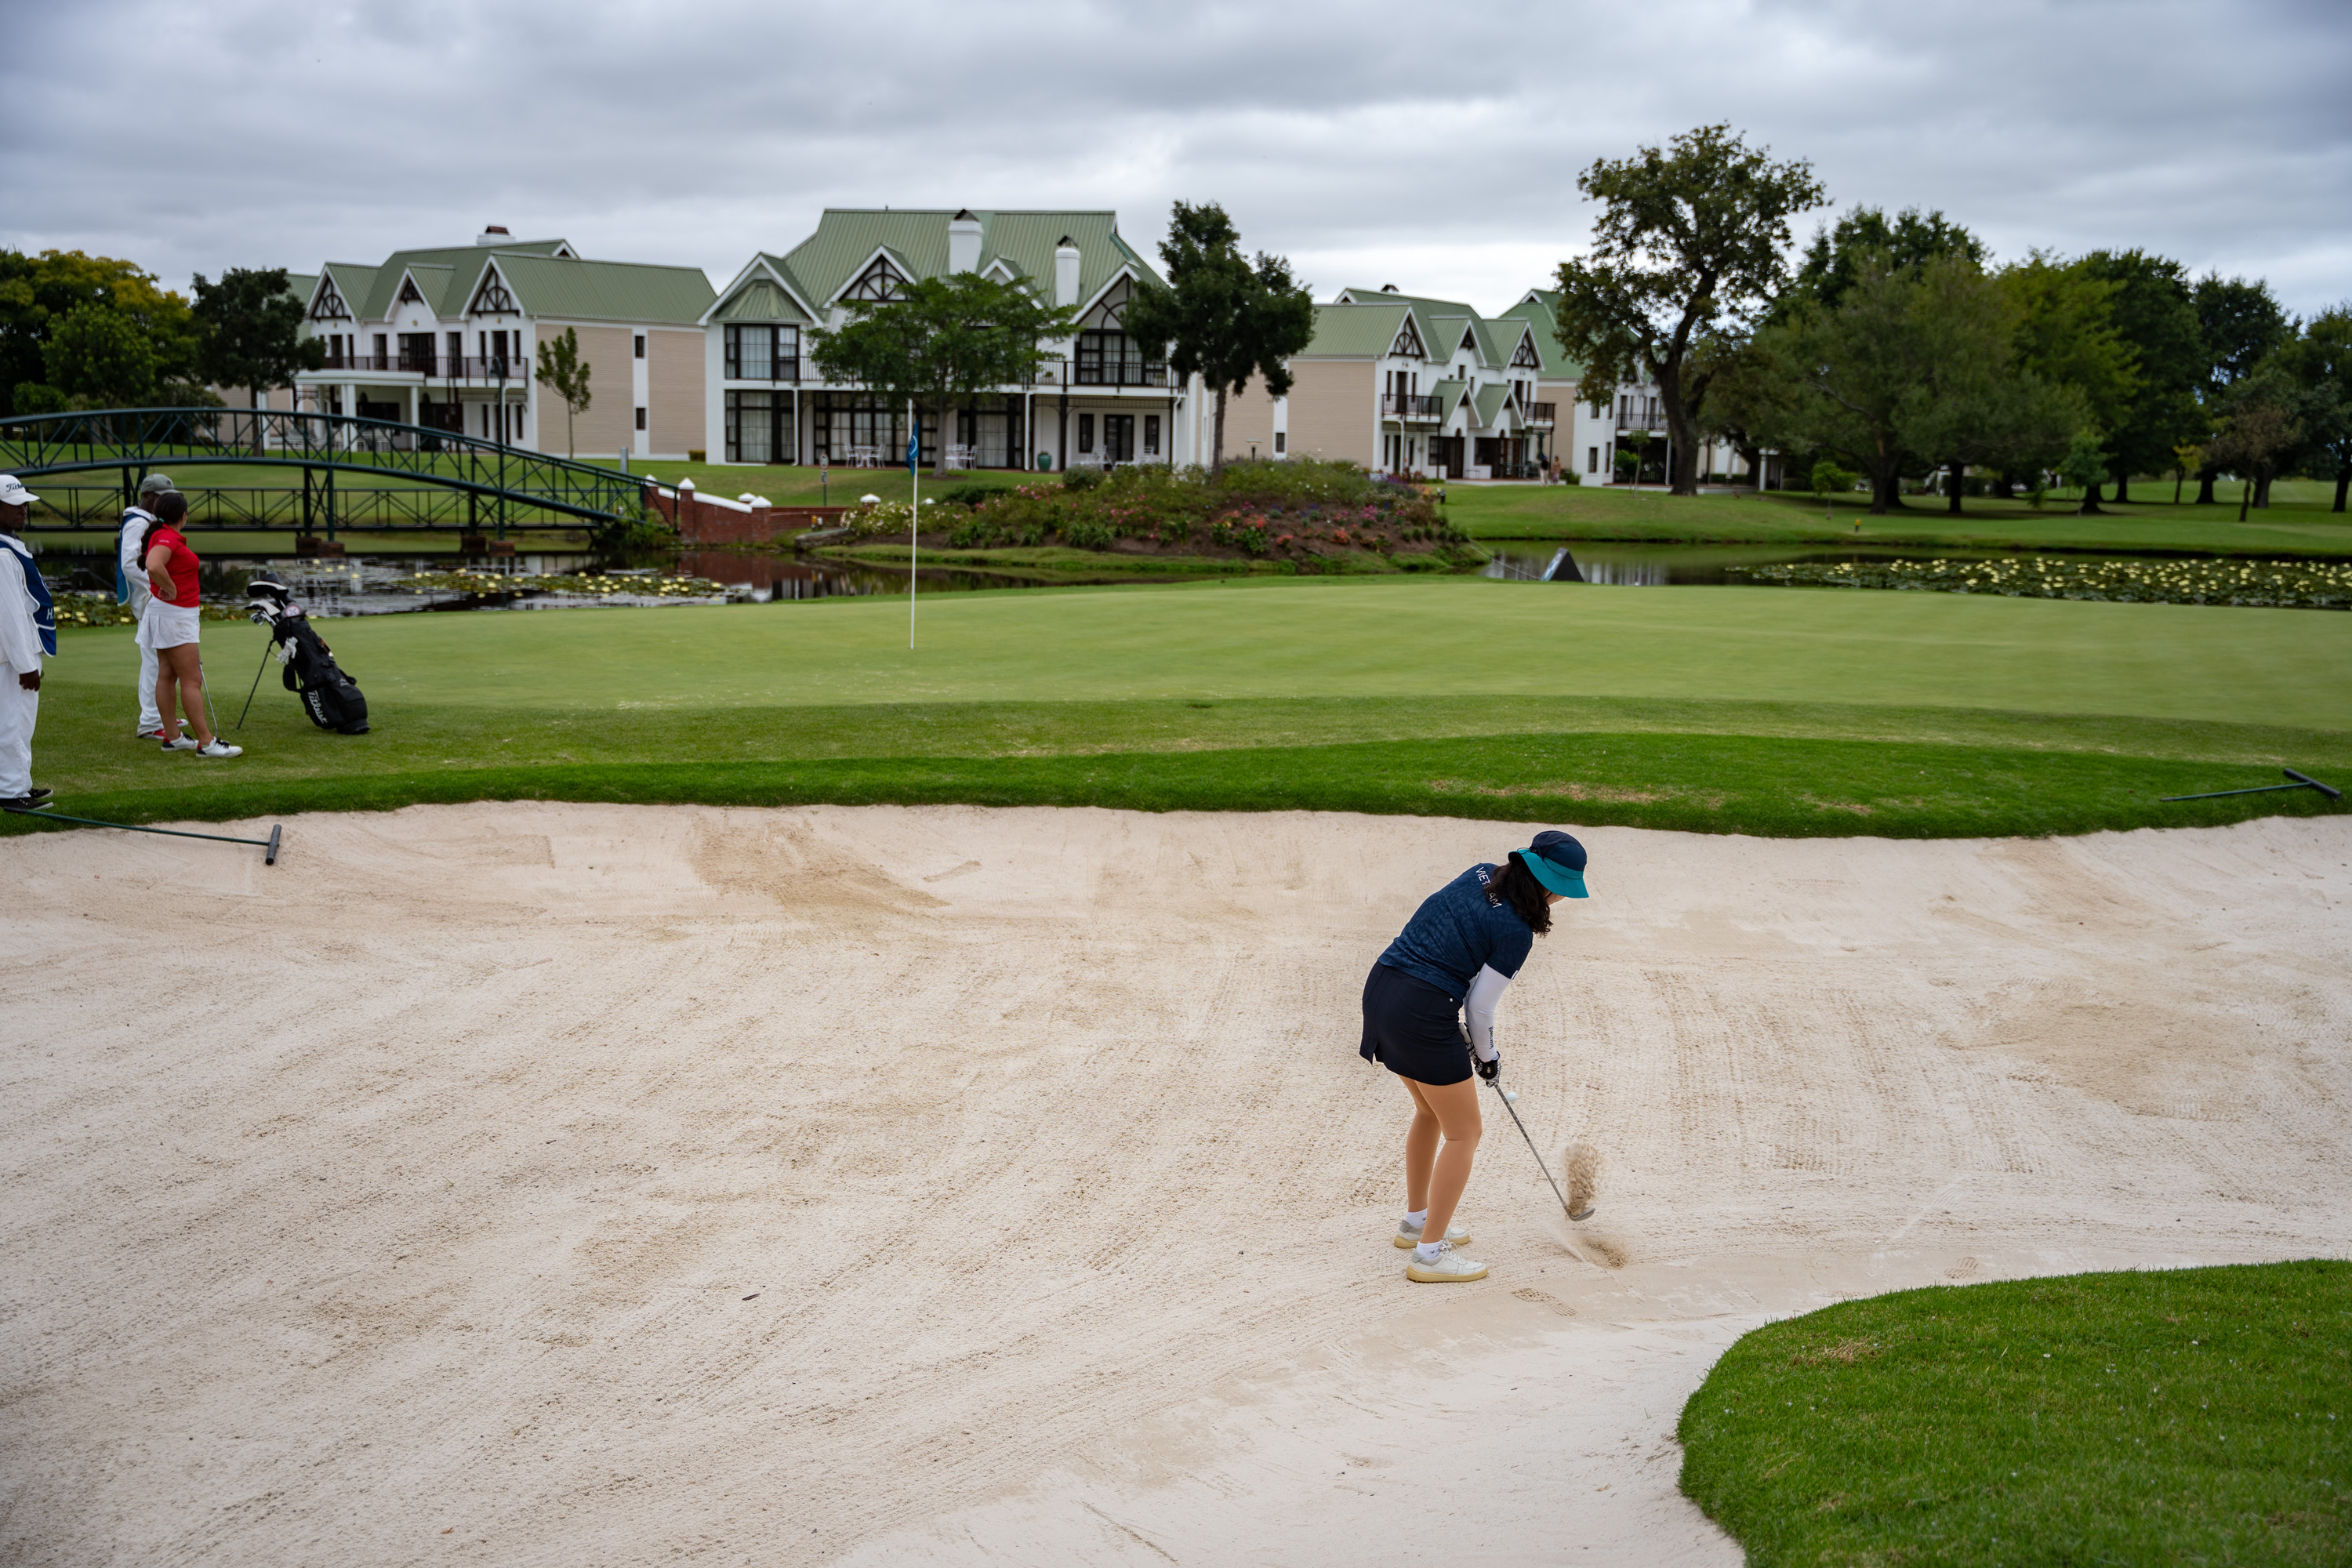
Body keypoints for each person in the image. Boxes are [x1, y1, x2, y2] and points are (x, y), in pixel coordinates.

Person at [1359, 830, 1588, 1283]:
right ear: (1547, 884)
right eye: (1563, 887)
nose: (1563, 897)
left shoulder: (1480, 873)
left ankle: (1416, 1222)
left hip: (1384, 989)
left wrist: (1465, 1032)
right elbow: (1480, 1008)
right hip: (1421, 1012)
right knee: (1465, 1133)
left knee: (1429, 1112)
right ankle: (1429, 1256)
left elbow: (1448, 946)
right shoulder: (1516, 932)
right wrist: (1488, 1057)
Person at [137, 492, 240, 760]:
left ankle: (173, 738)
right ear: (184, 516)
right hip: (174, 615)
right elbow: (153, 565)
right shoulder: (168, 537)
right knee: (191, 680)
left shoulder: (161, 534)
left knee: (167, 675)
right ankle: (206, 743)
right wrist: (170, 589)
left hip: (171, 615)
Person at [0, 475, 57, 809]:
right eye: (14, 505)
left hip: (17, 652)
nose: (23, 509)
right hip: (12, 657)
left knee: (19, 721)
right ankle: (11, 791)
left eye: (24, 503)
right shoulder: (2, 554)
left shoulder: (9, 545)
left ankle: (18, 782)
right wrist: (25, 665)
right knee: (14, 721)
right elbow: (8, 615)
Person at [118, 471, 183, 742]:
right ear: (146, 496)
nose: (165, 502)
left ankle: (161, 714)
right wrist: (162, 585)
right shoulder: (138, 523)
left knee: (160, 662)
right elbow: (130, 564)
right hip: (150, 599)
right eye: (160, 497)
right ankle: (151, 721)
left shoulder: (151, 521)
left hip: (155, 597)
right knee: (155, 663)